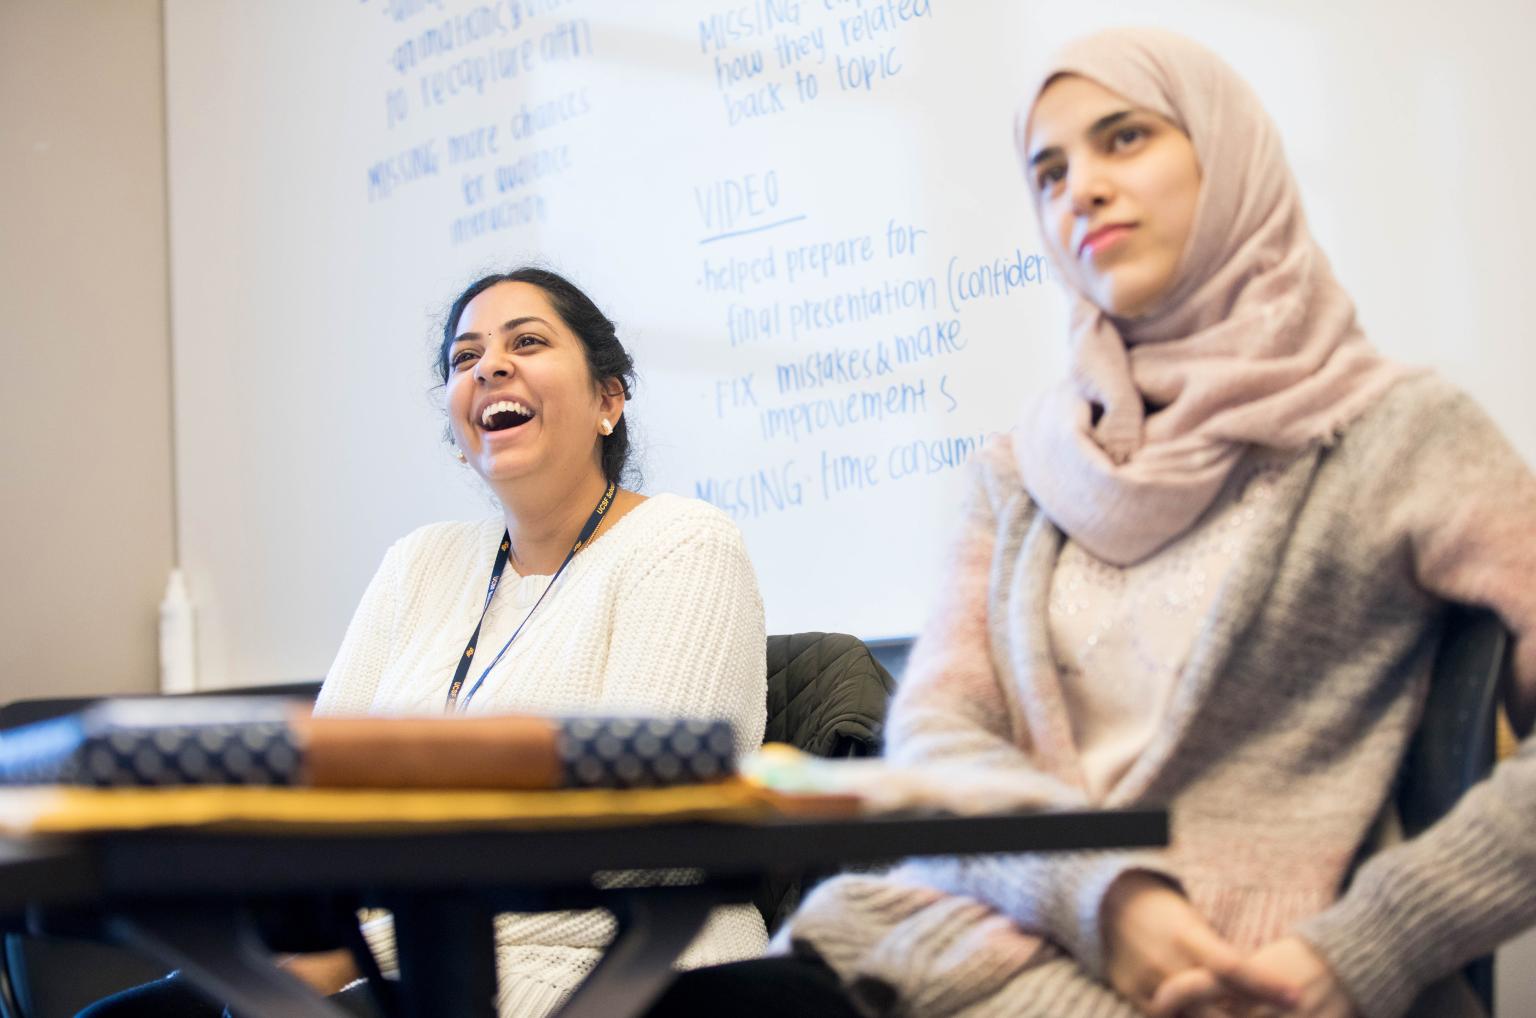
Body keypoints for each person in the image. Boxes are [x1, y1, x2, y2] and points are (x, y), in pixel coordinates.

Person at [642, 27, 1536, 1018]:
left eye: (1125, 139)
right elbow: (939, 733)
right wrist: (1105, 897)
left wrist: (1375, 937)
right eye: (1050, 170)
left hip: (1227, 979)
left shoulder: (1396, 432)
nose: (1082, 190)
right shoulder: (1025, 471)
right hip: (947, 933)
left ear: (1227, 155)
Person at [80, 267, 770, 1018]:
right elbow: (315, 807)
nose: (490, 367)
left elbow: (650, 844)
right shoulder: (420, 563)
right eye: (464, 358)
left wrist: (357, 951)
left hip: (601, 967)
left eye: (527, 342)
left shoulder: (683, 544)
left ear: (610, 398)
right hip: (382, 959)